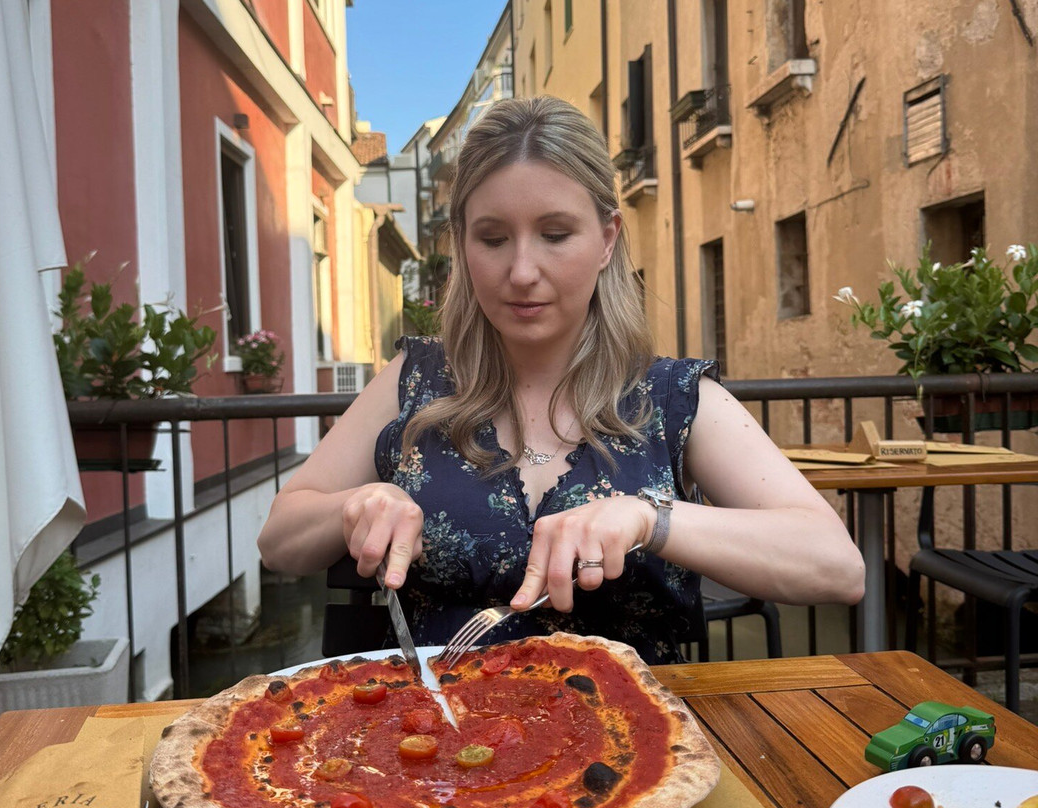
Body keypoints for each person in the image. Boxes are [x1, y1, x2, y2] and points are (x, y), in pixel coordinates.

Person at [258, 96, 864, 664]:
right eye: (492, 238)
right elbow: (279, 540)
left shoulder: (673, 399)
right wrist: (360, 503)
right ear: (462, 245)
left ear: (607, 240)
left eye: (555, 235)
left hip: (632, 732)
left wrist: (650, 519)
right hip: (435, 730)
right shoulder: (414, 381)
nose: (522, 271)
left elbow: (838, 567)